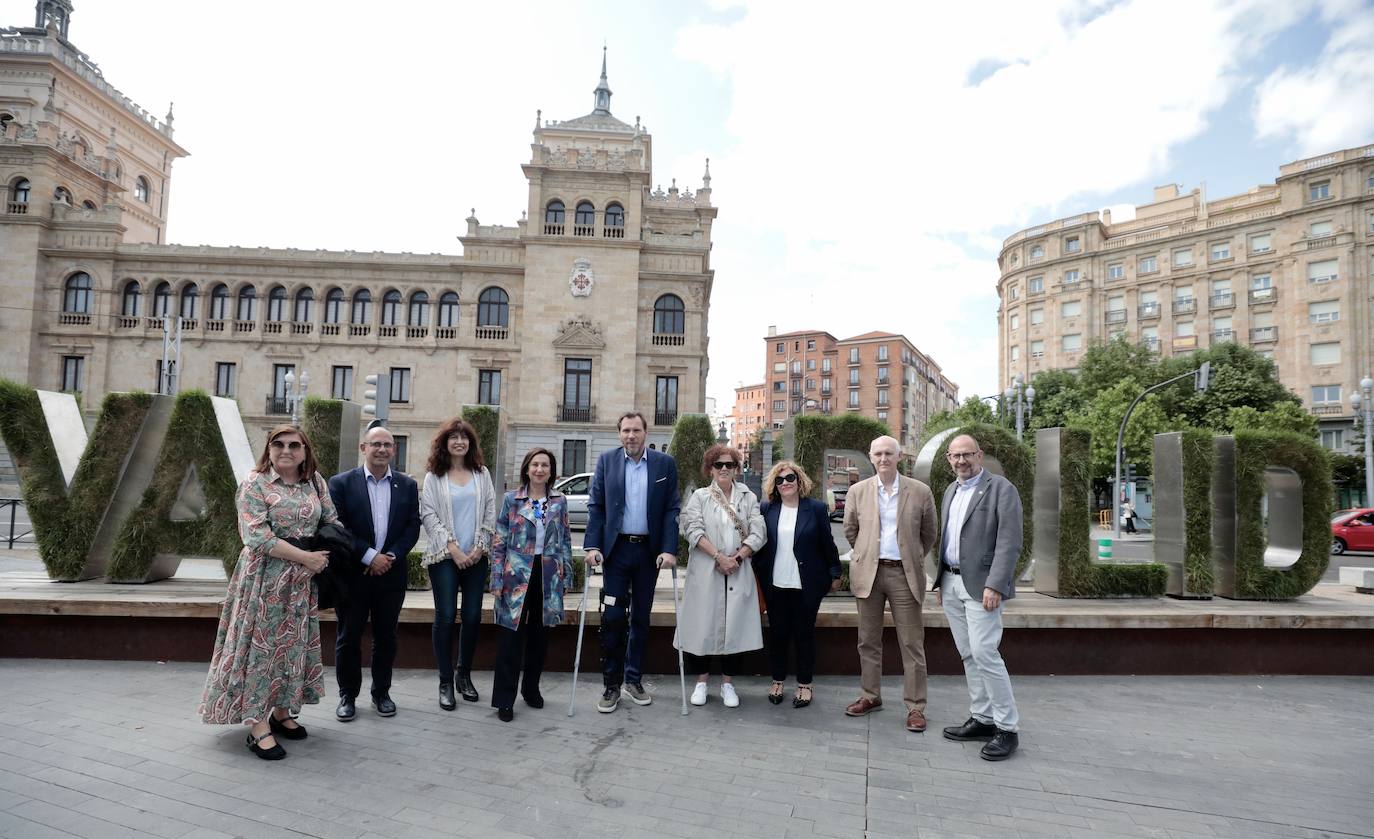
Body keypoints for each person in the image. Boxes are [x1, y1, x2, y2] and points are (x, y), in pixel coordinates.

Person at [200, 425, 336, 760]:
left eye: (294, 444)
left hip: (301, 583)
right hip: (263, 581)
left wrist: (318, 559)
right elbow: (256, 536)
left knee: (291, 648)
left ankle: (281, 711)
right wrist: (305, 557)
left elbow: (333, 524)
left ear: (305, 451)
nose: (286, 450)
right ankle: (257, 724)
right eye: (279, 444)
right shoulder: (254, 483)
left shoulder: (315, 482)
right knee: (259, 650)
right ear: (269, 448)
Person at [934, 434, 1025, 761]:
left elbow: (1010, 541)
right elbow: (948, 540)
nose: (962, 461)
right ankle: (983, 718)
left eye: (967, 455)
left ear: (980, 455)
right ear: (948, 459)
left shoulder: (1002, 489)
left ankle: (1007, 728)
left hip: (983, 586)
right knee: (968, 654)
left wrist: (996, 585)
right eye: (956, 456)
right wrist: (942, 583)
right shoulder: (950, 490)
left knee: (986, 652)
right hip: (952, 583)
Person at [583, 411, 680, 713]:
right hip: (616, 553)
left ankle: (633, 679)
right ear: (619, 433)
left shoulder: (665, 464)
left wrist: (669, 549)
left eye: (636, 430)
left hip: (648, 554)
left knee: (640, 618)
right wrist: (592, 545)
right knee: (613, 617)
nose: (631, 435)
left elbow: (670, 510)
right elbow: (596, 506)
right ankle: (611, 684)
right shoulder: (607, 461)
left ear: (645, 433)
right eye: (625, 430)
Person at [843, 435, 938, 733]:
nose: (883, 458)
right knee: (867, 641)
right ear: (871, 457)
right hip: (868, 575)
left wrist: (910, 556)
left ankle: (915, 707)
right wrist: (867, 553)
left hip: (903, 575)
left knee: (911, 644)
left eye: (889, 453)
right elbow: (850, 530)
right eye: (878, 454)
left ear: (899, 457)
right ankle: (871, 696)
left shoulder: (920, 491)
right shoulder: (858, 491)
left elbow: (929, 534)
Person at [327, 426, 421, 722]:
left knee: (386, 637)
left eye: (388, 445)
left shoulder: (406, 485)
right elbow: (337, 527)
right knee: (349, 636)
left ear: (394, 450)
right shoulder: (341, 483)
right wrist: (370, 556)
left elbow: (412, 527)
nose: (382, 449)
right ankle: (347, 695)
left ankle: (382, 693)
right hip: (353, 574)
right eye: (376, 444)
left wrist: (389, 556)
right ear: (363, 447)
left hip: (391, 575)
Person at [675, 444, 766, 707]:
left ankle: (728, 684)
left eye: (729, 464)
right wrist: (719, 557)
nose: (724, 469)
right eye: (719, 465)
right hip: (707, 570)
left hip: (738, 570)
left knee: (734, 628)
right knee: (702, 627)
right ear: (710, 469)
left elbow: (759, 531)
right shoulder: (700, 497)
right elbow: (692, 529)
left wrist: (736, 558)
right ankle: (701, 682)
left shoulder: (748, 497)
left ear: (737, 468)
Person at [488, 448, 574, 722]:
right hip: (516, 574)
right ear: (527, 468)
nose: (539, 470)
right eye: (535, 465)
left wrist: (567, 577)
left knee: (540, 637)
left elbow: (565, 541)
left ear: (551, 471)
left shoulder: (559, 501)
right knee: (510, 640)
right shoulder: (512, 500)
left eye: (545, 466)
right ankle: (504, 699)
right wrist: (496, 578)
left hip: (547, 575)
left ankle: (531, 689)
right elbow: (499, 541)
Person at [418, 418, 496, 709]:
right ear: (445, 442)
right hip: (444, 557)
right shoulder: (434, 476)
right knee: (446, 615)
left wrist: (478, 546)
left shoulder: (481, 473)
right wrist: (453, 547)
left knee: (473, 616)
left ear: (470, 443)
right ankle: (445, 680)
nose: (459, 442)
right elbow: (428, 515)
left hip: (476, 555)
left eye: (464, 437)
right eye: (454, 437)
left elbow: (490, 508)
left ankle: (464, 674)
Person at [754, 460, 842, 709]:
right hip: (775, 583)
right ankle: (778, 680)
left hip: (807, 583)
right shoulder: (766, 508)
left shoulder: (815, 508)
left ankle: (805, 684)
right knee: (779, 635)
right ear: (774, 484)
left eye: (790, 478)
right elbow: (758, 541)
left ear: (799, 480)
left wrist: (835, 572)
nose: (785, 483)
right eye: (780, 480)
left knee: (804, 635)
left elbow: (828, 543)